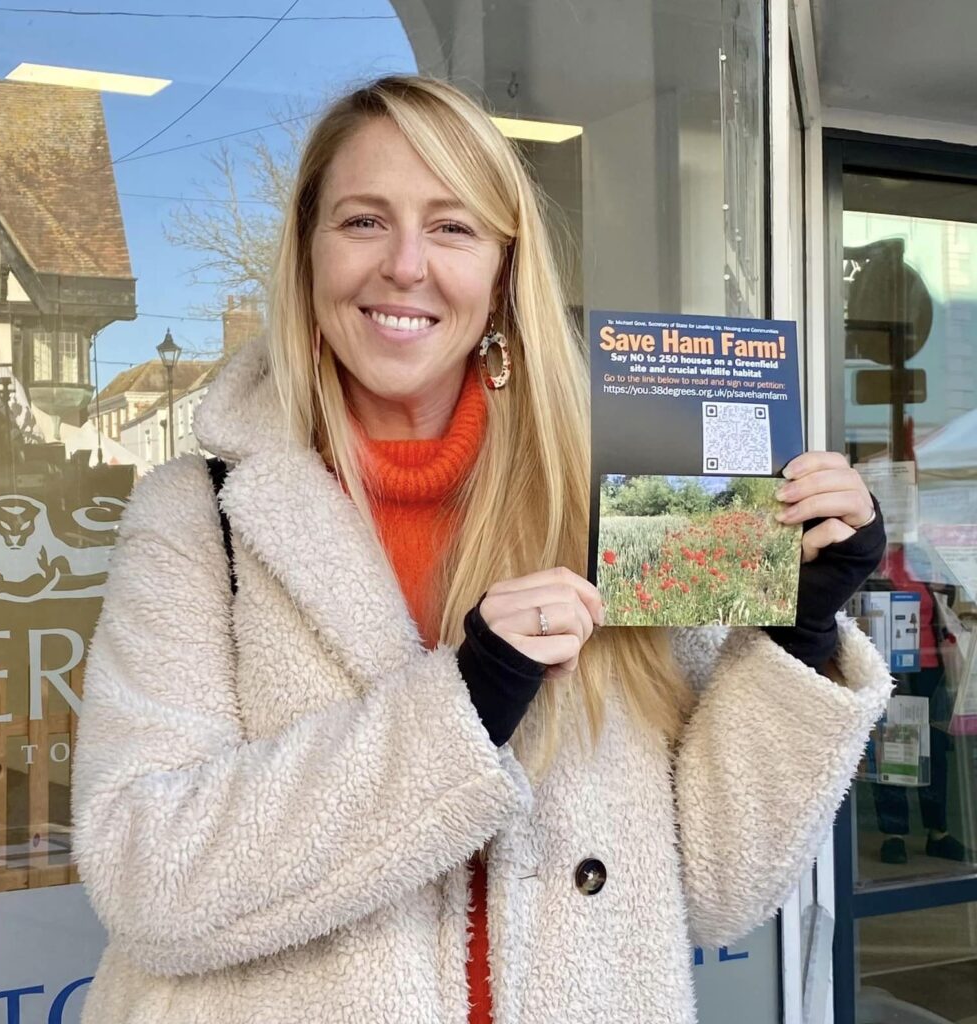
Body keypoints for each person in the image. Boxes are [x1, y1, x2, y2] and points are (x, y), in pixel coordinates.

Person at [71, 75, 893, 1024]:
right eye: (363, 222)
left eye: (452, 227)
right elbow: (145, 878)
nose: (406, 266)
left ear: (504, 270)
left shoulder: (620, 503)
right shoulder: (197, 517)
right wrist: (462, 709)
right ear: (307, 255)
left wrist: (792, 635)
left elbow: (714, 890)